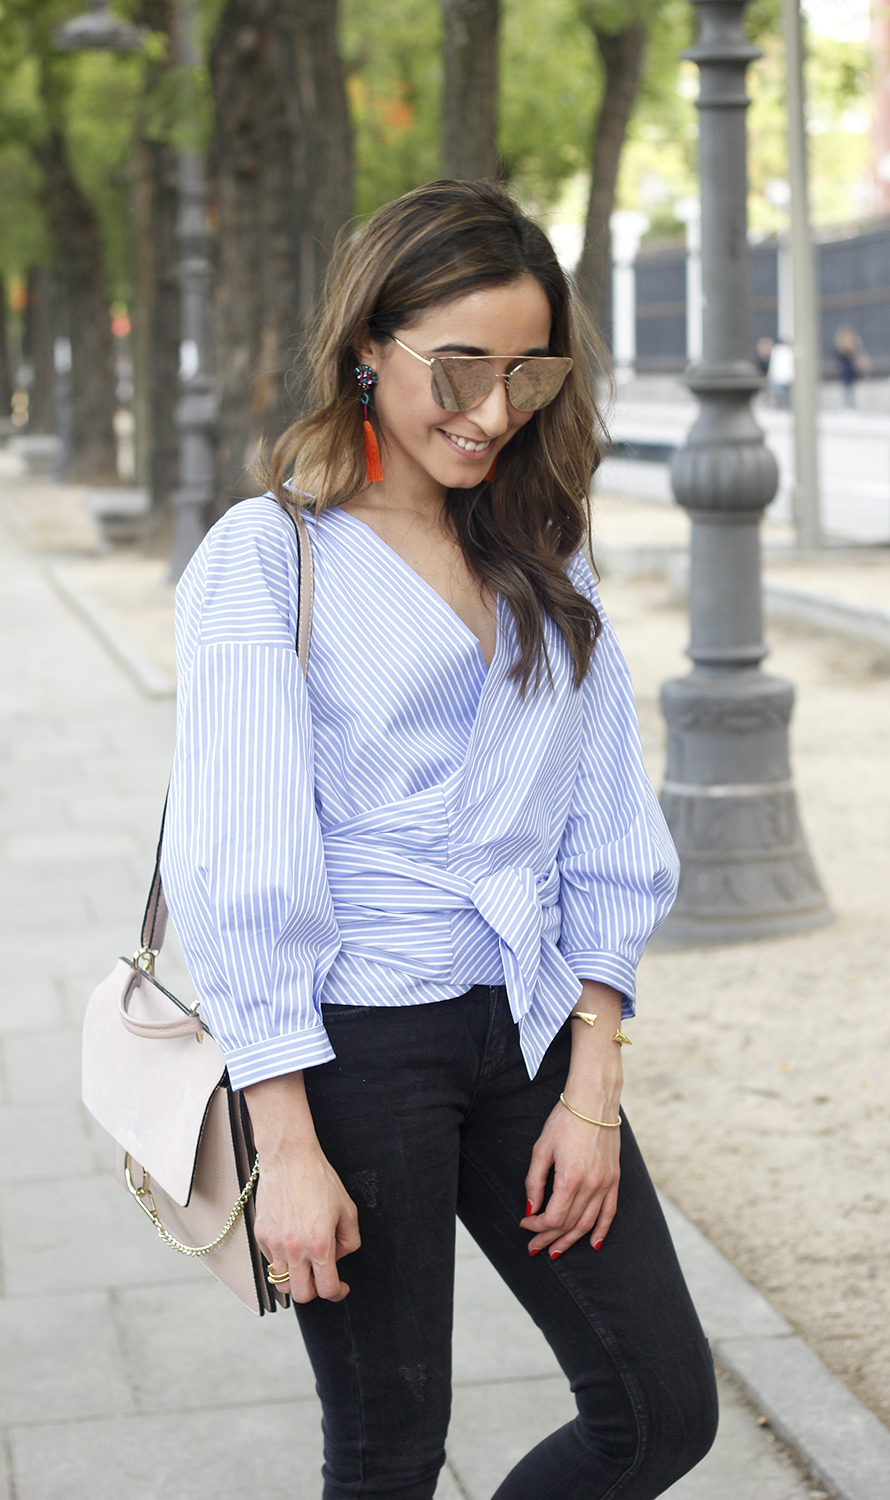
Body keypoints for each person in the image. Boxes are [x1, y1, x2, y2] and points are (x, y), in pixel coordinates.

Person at [161, 180, 718, 1500]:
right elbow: (241, 862)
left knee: (661, 1411)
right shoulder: (270, 556)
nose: (489, 411)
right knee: (391, 1455)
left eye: (527, 373)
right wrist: (284, 1144)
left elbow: (604, 823)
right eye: (456, 370)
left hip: (528, 1024)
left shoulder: (543, 548)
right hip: (354, 1048)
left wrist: (595, 1081)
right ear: (368, 347)